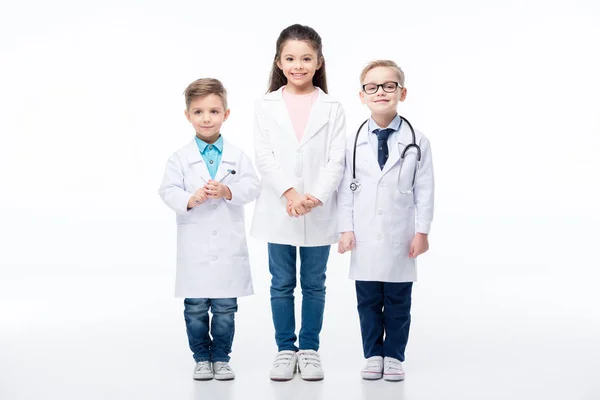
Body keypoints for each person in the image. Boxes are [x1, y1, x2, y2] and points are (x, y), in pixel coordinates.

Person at [250, 23, 347, 381]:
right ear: (278, 61)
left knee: (314, 283)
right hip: (280, 206)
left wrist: (315, 197)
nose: (298, 65)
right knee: (280, 282)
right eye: (290, 58)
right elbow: (264, 157)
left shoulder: (334, 107)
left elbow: (337, 159)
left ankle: (309, 349)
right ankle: (284, 349)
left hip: (317, 207)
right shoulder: (265, 104)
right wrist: (290, 194)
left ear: (319, 61)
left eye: (306, 58)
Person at [337, 60, 435, 381]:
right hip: (363, 236)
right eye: (372, 87)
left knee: (397, 301)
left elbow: (425, 190)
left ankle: (393, 354)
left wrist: (422, 231)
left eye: (389, 86)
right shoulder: (352, 142)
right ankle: (372, 354)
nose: (380, 92)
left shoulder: (418, 140)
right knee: (367, 301)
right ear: (361, 95)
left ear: (402, 93)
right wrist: (346, 230)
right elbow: (346, 192)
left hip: (400, 235)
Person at [158, 78, 260, 381]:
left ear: (226, 114)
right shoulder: (179, 158)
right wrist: (191, 198)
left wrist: (228, 192)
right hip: (196, 247)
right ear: (188, 115)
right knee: (196, 308)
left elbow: (252, 185)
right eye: (199, 112)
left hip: (228, 246)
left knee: (226, 308)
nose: (206, 118)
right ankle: (202, 357)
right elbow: (166, 190)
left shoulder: (238, 155)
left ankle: (222, 358)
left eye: (214, 111)